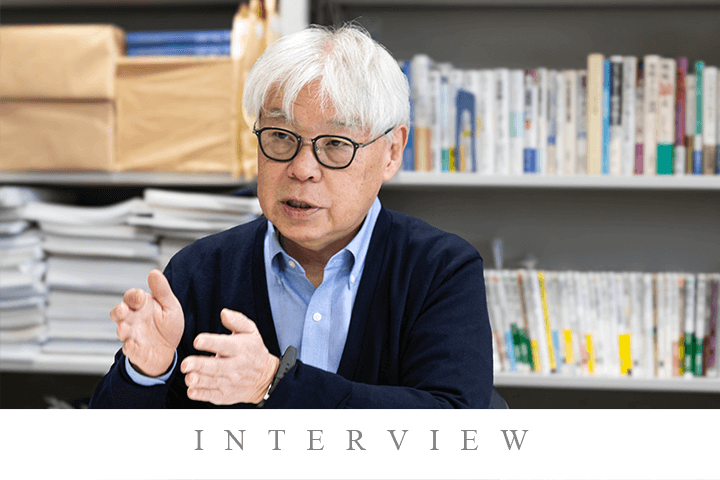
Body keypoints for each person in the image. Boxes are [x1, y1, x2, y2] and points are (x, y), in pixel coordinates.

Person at [89, 24, 493, 409]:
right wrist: (146, 373)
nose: (302, 169)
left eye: (335, 144)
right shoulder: (199, 270)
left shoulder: (441, 270)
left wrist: (273, 382)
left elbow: (455, 427)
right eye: (281, 137)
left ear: (392, 152)